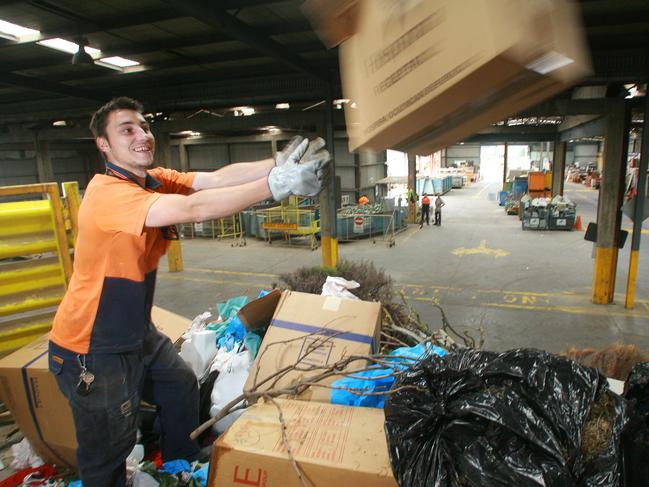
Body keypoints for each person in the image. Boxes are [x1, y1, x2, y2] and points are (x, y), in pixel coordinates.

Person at [47, 97, 330, 486]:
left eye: (143, 126)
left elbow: (213, 180)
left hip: (133, 331)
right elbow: (193, 209)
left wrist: (278, 163)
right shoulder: (107, 195)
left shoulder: (149, 179)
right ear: (103, 144)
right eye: (126, 129)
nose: (142, 135)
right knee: (109, 446)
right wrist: (275, 185)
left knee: (178, 382)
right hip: (93, 346)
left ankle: (181, 459)